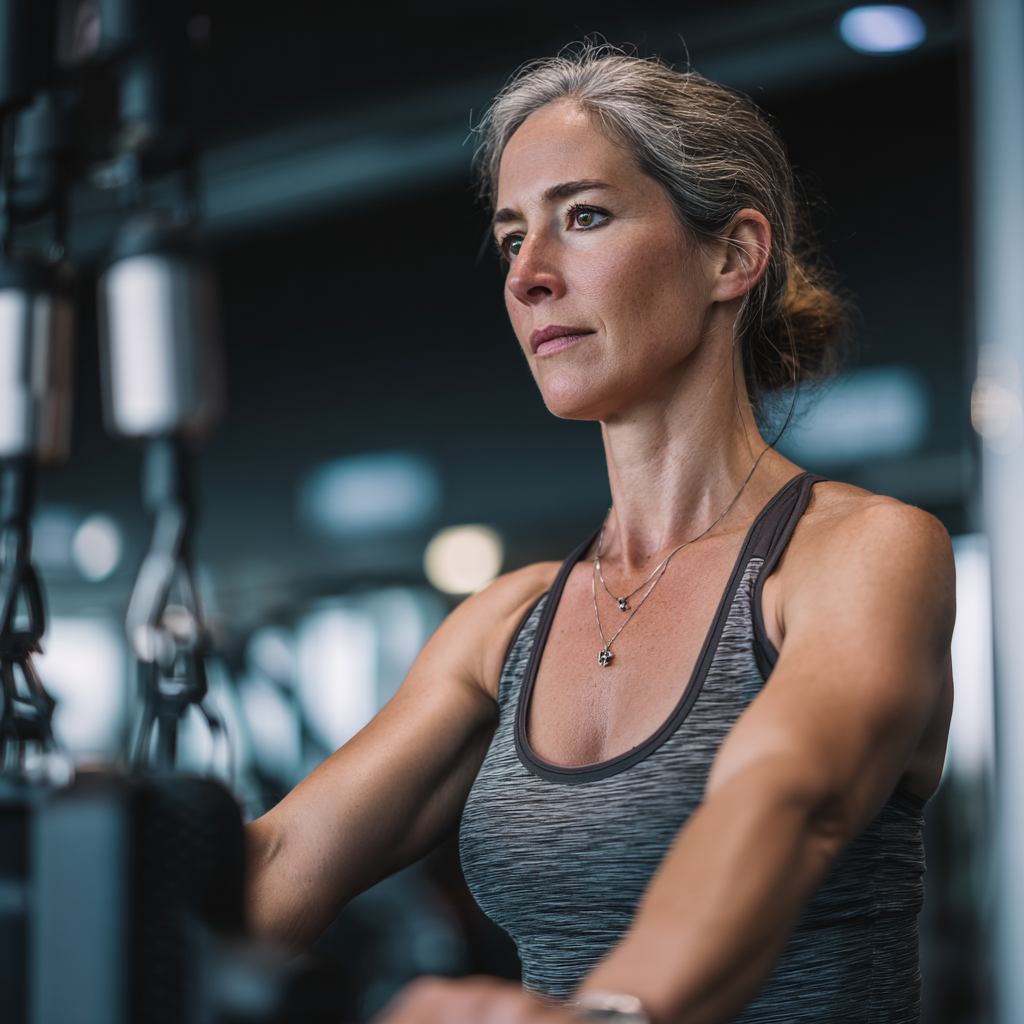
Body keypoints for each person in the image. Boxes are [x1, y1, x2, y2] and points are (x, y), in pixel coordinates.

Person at [246, 47, 954, 1024]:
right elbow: (283, 857)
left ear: (731, 255)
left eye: (582, 217)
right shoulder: (508, 623)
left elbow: (786, 804)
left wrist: (611, 1014)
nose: (528, 276)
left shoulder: (858, 552)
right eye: (509, 240)